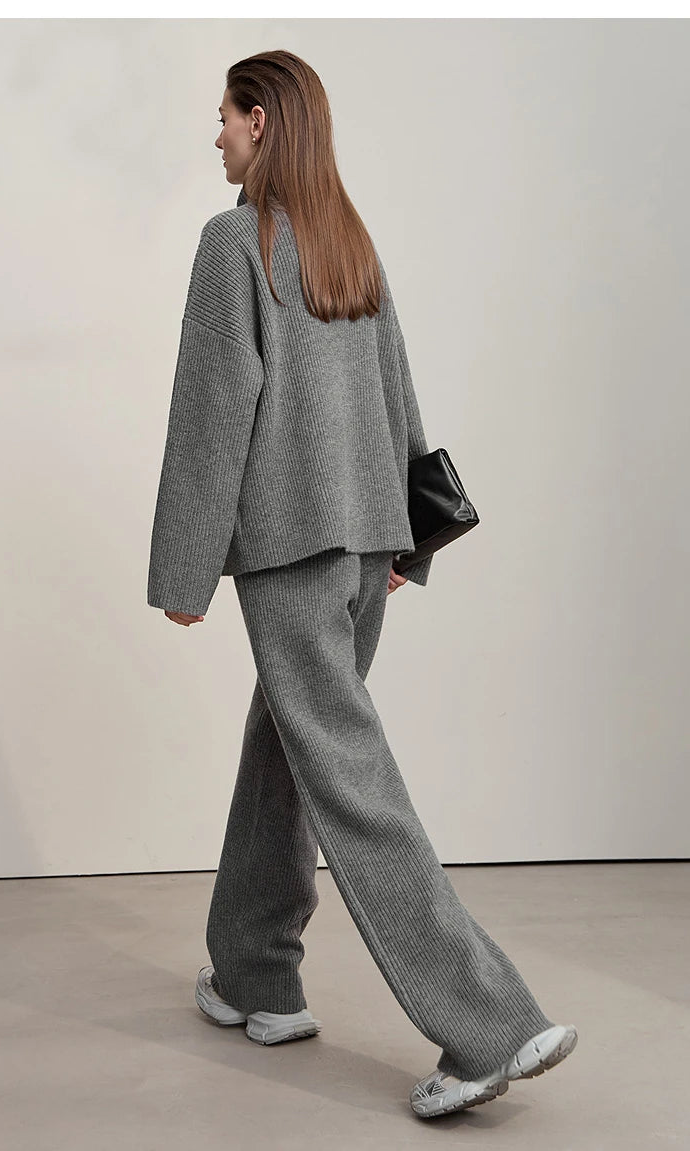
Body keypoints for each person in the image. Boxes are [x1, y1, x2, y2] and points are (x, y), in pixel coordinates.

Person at [147, 49, 577, 1120]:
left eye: (225, 117)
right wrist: (404, 541)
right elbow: (399, 396)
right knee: (289, 749)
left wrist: (185, 569)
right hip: (363, 554)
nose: (216, 136)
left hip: (292, 551)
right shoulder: (348, 240)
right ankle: (256, 972)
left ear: (260, 121)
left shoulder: (233, 244)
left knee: (349, 780)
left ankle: (490, 1023)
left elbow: (212, 413)